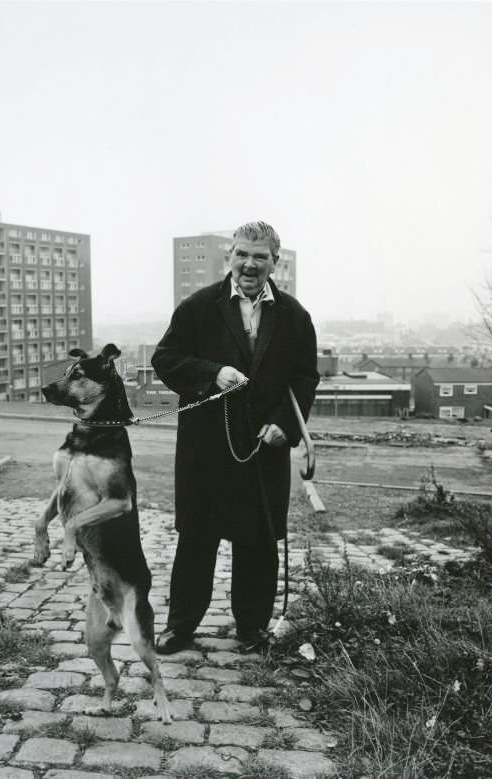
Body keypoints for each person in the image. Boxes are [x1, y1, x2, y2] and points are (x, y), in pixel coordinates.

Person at [151, 220, 319, 653]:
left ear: (274, 263)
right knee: (197, 542)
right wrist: (212, 373)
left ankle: (251, 627)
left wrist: (286, 424)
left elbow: (305, 378)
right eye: (242, 254)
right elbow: (166, 359)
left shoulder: (295, 317)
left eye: (260, 257)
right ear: (229, 257)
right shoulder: (198, 308)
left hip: (264, 449)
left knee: (259, 543)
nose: (249, 264)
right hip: (205, 451)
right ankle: (181, 626)